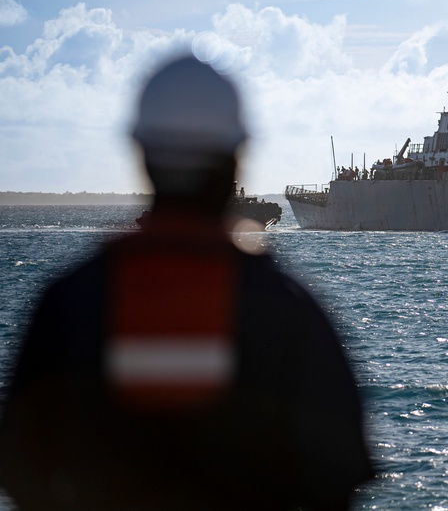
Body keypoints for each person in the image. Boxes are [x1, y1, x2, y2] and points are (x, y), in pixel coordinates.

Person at [0, 54, 374, 510]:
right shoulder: (289, 311)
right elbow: (339, 477)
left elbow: (21, 467)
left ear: (140, 153)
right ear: (237, 156)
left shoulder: (67, 304)